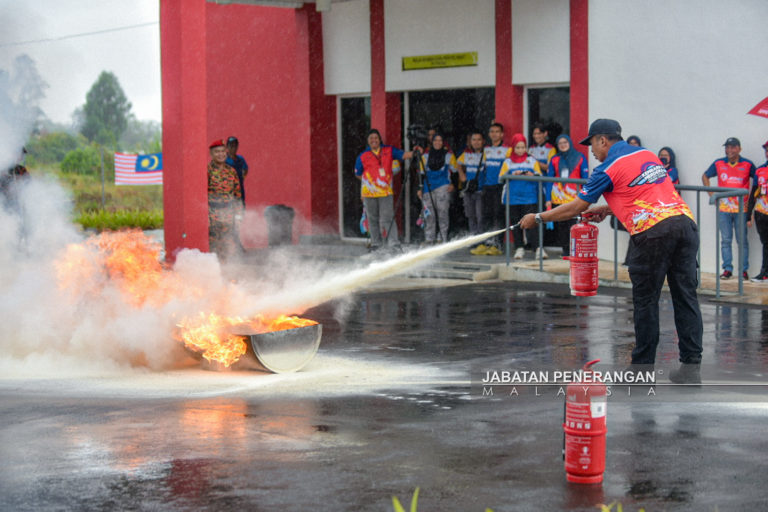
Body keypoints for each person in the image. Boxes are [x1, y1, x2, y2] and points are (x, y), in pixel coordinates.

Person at [520, 119, 704, 384]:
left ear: (603, 140)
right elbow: (645, 190)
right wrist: (608, 209)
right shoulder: (647, 154)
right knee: (685, 296)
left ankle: (641, 371)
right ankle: (690, 367)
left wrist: (538, 217)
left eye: (592, 144)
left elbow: (575, 207)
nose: (591, 151)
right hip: (685, 224)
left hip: (653, 233)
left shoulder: (606, 169)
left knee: (646, 302)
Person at [702, 137, 756, 280]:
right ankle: (727, 269)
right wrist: (712, 194)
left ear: (739, 149)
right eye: (727, 147)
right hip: (724, 209)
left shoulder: (748, 164)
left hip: (742, 210)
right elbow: (705, 176)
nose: (729, 150)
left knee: (742, 241)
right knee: (725, 240)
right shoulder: (719, 163)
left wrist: (752, 204)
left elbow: (757, 182)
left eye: (732, 147)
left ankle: (743, 270)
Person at [354, 129, 416, 250]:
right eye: (371, 138)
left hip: (385, 192)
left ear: (379, 139)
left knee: (387, 218)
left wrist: (414, 152)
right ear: (368, 141)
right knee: (372, 219)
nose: (374, 140)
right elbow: (358, 173)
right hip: (369, 193)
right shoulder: (363, 156)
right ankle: (376, 244)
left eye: (376, 138)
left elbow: (403, 155)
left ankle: (394, 243)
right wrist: (369, 182)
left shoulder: (389, 150)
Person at [500, 133, 543, 259]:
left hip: (529, 197)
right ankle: (519, 248)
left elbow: (540, 176)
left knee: (532, 223)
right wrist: (513, 173)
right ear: (513, 148)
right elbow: (500, 178)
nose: (520, 150)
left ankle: (537, 248)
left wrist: (531, 175)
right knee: (516, 224)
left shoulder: (532, 160)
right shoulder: (507, 162)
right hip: (513, 198)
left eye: (523, 147)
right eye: (517, 147)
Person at [545, 134, 589, 257]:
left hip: (574, 198)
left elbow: (585, 179)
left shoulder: (580, 158)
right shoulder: (554, 159)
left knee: (574, 225)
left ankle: (575, 251)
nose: (563, 145)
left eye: (565, 142)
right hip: (558, 197)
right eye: (560, 143)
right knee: (562, 226)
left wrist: (585, 198)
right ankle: (565, 251)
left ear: (569, 143)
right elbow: (549, 180)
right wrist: (548, 199)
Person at [470, 122, 511, 256]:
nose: (494, 134)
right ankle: (486, 243)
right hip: (487, 187)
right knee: (486, 216)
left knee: (498, 215)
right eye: (492, 131)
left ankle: (497, 244)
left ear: (502, 134)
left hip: (500, 186)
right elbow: (483, 170)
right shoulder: (486, 150)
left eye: (497, 131)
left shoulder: (507, 150)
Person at [207, 139, 243, 259]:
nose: (221, 154)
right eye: (217, 152)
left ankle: (228, 272)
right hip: (213, 215)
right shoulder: (207, 171)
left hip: (229, 214)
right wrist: (205, 216)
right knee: (214, 246)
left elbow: (237, 195)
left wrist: (238, 216)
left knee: (229, 246)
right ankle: (215, 272)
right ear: (211, 154)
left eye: (223, 151)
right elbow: (203, 195)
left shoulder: (231, 172)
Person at [418, 133, 456, 244]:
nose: (437, 143)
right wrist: (419, 188)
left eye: (440, 140)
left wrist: (453, 184)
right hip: (427, 187)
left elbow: (455, 171)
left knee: (442, 213)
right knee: (429, 214)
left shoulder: (449, 155)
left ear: (443, 142)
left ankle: (442, 237)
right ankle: (429, 238)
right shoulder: (425, 156)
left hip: (443, 186)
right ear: (432, 142)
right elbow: (421, 174)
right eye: (435, 140)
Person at [746, 140, 768, 282]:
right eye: (766, 150)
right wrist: (749, 215)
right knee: (766, 243)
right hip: (762, 213)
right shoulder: (760, 170)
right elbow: (753, 193)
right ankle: (764, 273)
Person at [457, 129, 485, 238]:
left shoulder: (486, 153)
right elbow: (458, 164)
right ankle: (473, 238)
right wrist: (462, 176)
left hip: (481, 190)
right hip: (469, 190)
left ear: (483, 141)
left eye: (479, 140)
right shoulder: (466, 153)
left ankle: (481, 239)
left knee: (480, 216)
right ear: (470, 141)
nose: (476, 142)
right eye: (474, 140)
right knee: (470, 215)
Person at [225, 136, 248, 205]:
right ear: (227, 147)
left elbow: (245, 169)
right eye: (231, 146)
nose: (233, 148)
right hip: (227, 191)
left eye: (235, 146)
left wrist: (242, 178)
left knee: (240, 209)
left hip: (239, 190)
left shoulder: (240, 159)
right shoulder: (223, 159)